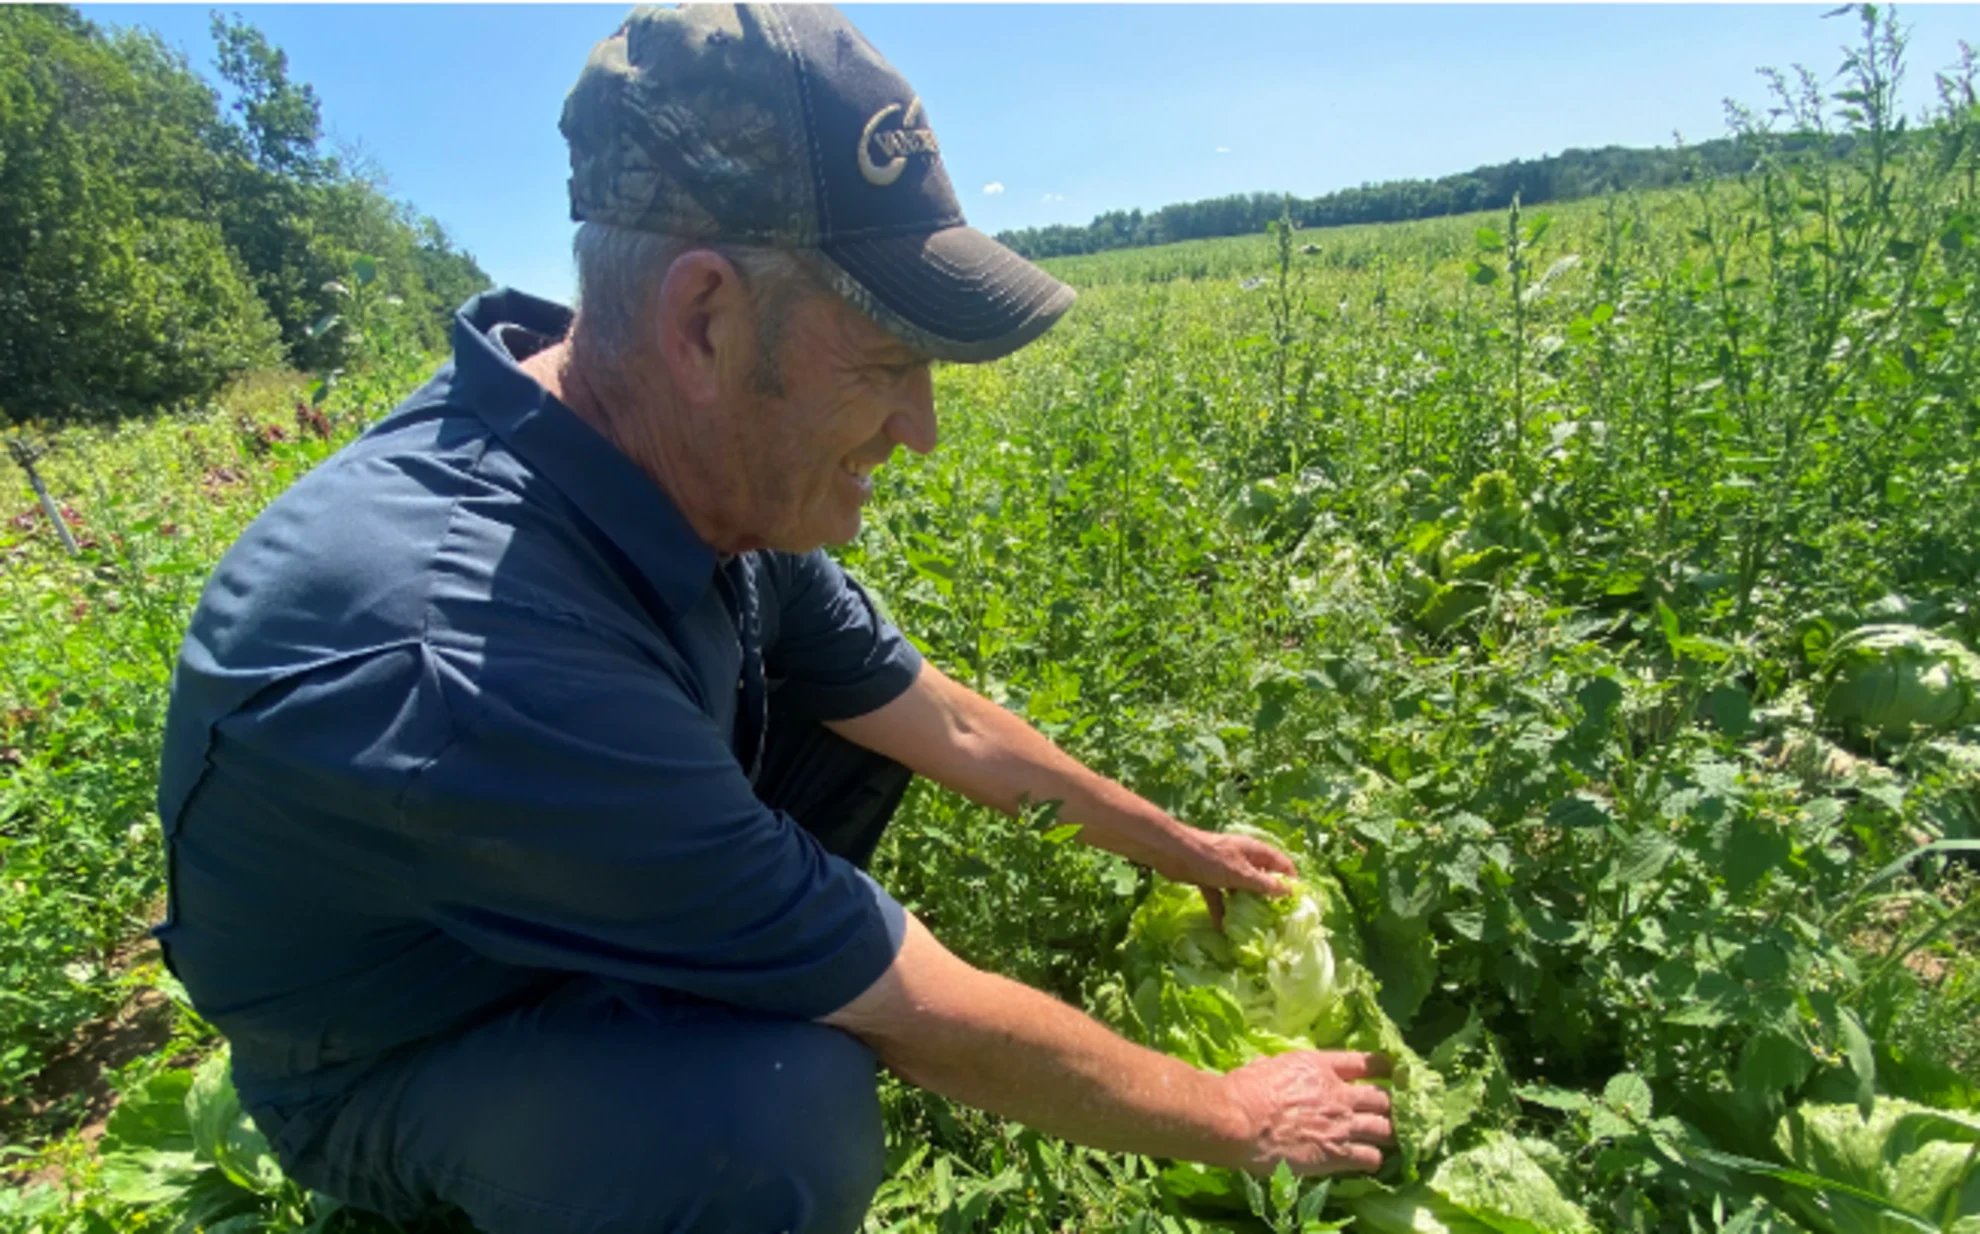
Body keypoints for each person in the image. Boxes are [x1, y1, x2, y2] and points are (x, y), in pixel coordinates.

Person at [153, 5, 1395, 1231]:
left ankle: (710, 941)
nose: (921, 429)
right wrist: (1237, 1115)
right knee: (775, 1121)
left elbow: (936, 720)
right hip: (406, 1043)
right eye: (884, 367)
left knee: (850, 726)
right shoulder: (474, 655)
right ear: (703, 322)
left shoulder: (679, 466)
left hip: (556, 877)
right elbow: (918, 1008)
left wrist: (1179, 846)